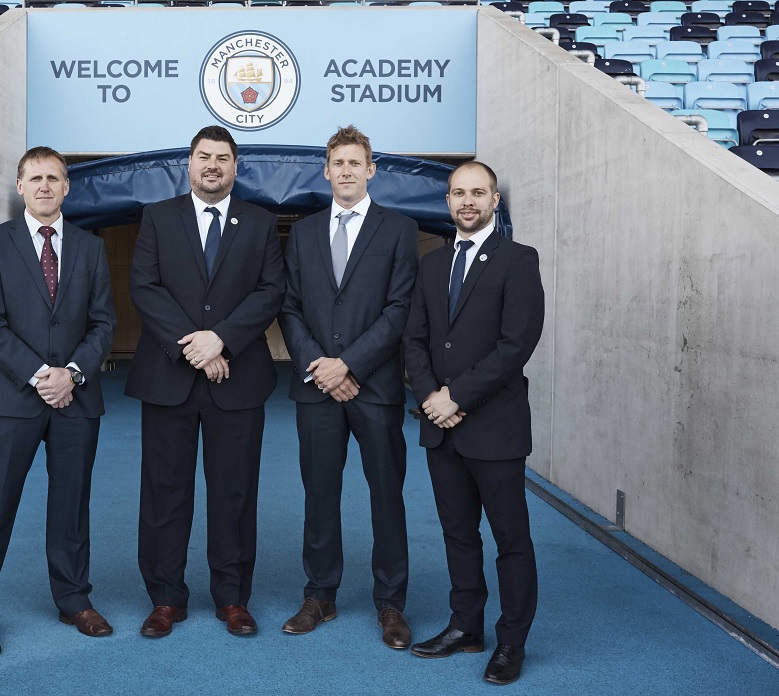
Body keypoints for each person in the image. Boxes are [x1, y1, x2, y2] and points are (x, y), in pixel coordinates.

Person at [0, 146, 116, 658]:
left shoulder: (91, 249)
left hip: (75, 398)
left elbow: (103, 324)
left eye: (54, 178)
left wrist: (69, 374)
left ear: (68, 187)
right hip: (12, 398)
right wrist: (38, 374)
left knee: (71, 508)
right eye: (35, 178)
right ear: (20, 187)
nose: (45, 186)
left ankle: (74, 600)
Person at [127, 125, 285, 638]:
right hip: (168, 375)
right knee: (163, 492)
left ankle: (233, 597)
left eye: (222, 157)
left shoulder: (261, 223)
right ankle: (166, 598)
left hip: (237, 377)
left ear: (236, 167)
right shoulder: (157, 218)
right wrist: (193, 345)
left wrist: (222, 340)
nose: (212, 165)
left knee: (234, 493)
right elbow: (144, 287)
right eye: (203, 156)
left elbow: (270, 291)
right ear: (188, 164)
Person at [402, 161, 545, 685]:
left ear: (494, 202)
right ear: (447, 202)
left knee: (511, 538)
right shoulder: (432, 265)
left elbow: (516, 345)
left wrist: (456, 396)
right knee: (458, 534)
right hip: (441, 427)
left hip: (495, 426)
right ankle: (466, 626)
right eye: (458, 193)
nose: (467, 201)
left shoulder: (518, 260)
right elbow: (414, 340)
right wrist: (430, 398)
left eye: (478, 193)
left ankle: (512, 641)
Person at [278, 125, 418, 649]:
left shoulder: (399, 229)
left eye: (355, 163)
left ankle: (392, 603)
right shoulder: (305, 231)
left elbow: (399, 308)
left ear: (371, 169)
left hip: (374, 388)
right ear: (326, 169)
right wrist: (320, 364)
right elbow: (289, 307)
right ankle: (320, 595)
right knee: (320, 495)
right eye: (338, 163)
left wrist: (350, 365)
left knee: (387, 496)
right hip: (316, 388)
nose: (346, 172)